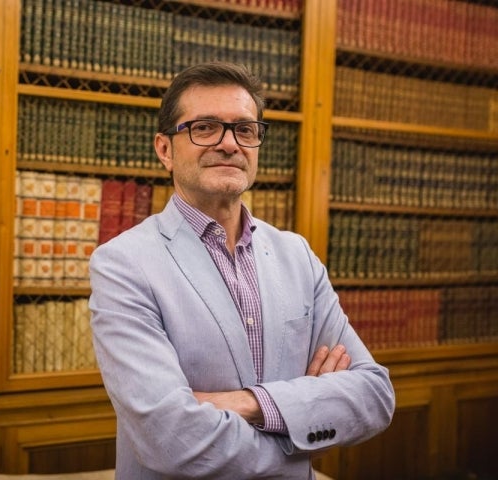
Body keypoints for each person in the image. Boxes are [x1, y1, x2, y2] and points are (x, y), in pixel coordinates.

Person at [88, 61, 395, 479]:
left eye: (245, 130)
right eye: (205, 128)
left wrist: (249, 403)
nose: (229, 144)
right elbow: (169, 438)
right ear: (165, 149)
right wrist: (303, 430)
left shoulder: (297, 255)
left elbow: (375, 395)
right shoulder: (123, 264)